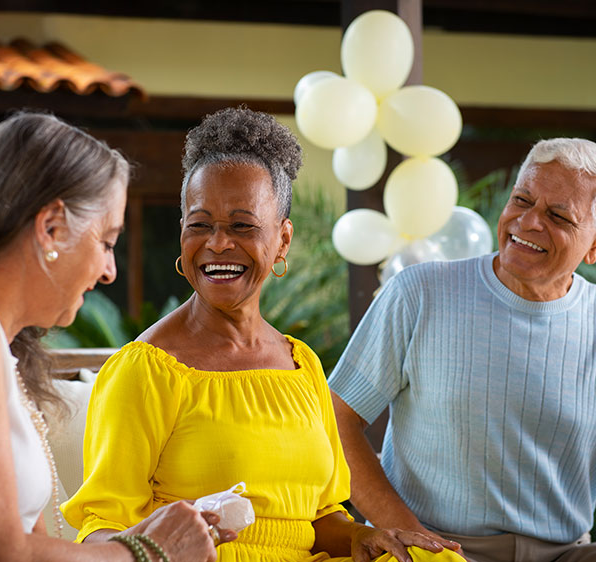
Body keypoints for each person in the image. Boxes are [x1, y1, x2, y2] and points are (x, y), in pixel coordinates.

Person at [61, 107, 463, 562]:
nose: (217, 243)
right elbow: (103, 531)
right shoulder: (146, 370)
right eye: (199, 225)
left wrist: (358, 538)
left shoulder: (302, 365)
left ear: (282, 241)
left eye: (242, 226)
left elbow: (320, 520)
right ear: (182, 234)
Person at [0, 111, 235, 561]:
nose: (110, 271)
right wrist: (148, 550)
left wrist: (136, 538)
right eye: (108, 242)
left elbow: (30, 544)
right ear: (52, 226)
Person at [328, 137, 596, 562]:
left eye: (558, 216)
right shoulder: (420, 292)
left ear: (594, 247)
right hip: (436, 547)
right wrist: (410, 538)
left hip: (565, 554)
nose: (528, 222)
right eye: (522, 200)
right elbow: (336, 419)